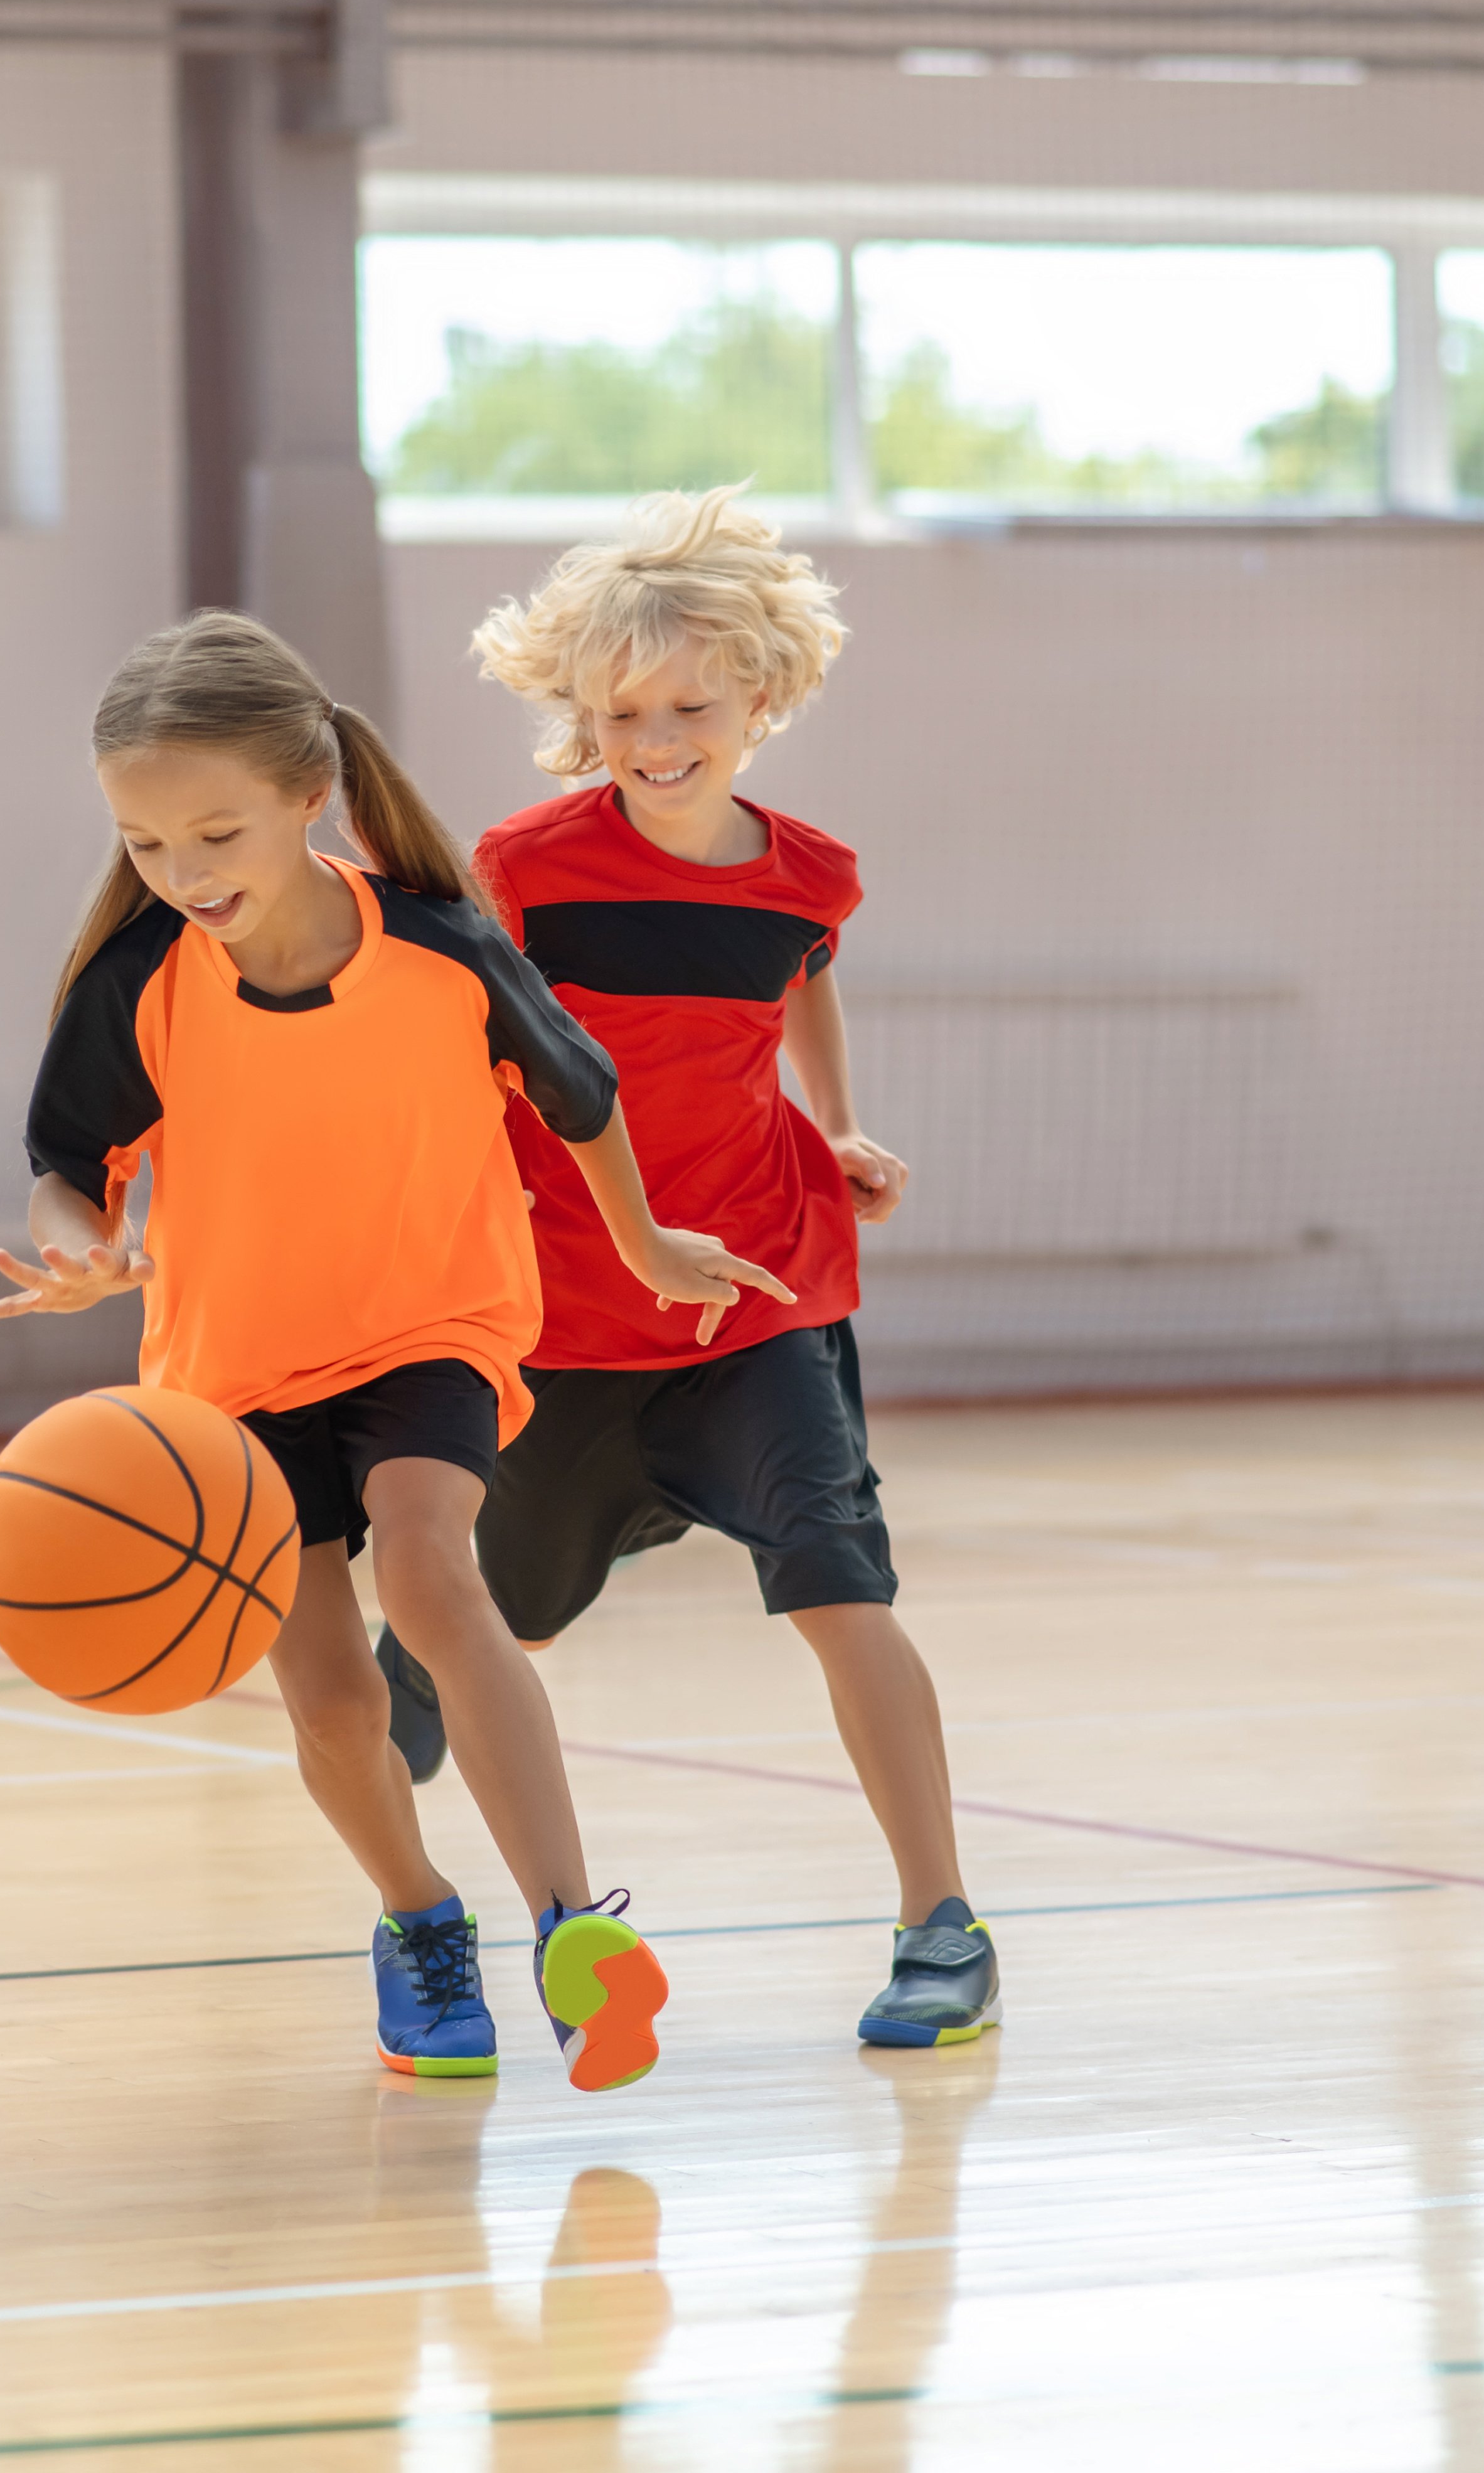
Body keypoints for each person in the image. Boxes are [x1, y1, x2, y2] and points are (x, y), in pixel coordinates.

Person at [0, 609, 790, 2092]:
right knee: (336, 1702)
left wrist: (648, 1243)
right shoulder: (143, 980)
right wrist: (82, 1242)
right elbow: (66, 1159)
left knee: (430, 1566)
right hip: (233, 1379)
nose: (184, 873)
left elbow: (581, 1096)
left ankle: (568, 1928)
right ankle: (418, 1921)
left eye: (215, 832)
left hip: (432, 1326)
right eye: (147, 846)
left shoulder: (439, 949)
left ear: (309, 795)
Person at [379, 489, 998, 2051]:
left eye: (690, 707)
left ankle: (944, 1927)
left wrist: (842, 1127)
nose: (657, 739)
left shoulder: (811, 876)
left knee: (843, 1590)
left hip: (760, 1296)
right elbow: (456, 1054)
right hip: (566, 1321)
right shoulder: (521, 869)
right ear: (584, 721)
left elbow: (803, 988)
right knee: (466, 1651)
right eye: (623, 713)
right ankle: (418, 1905)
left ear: (763, 701)